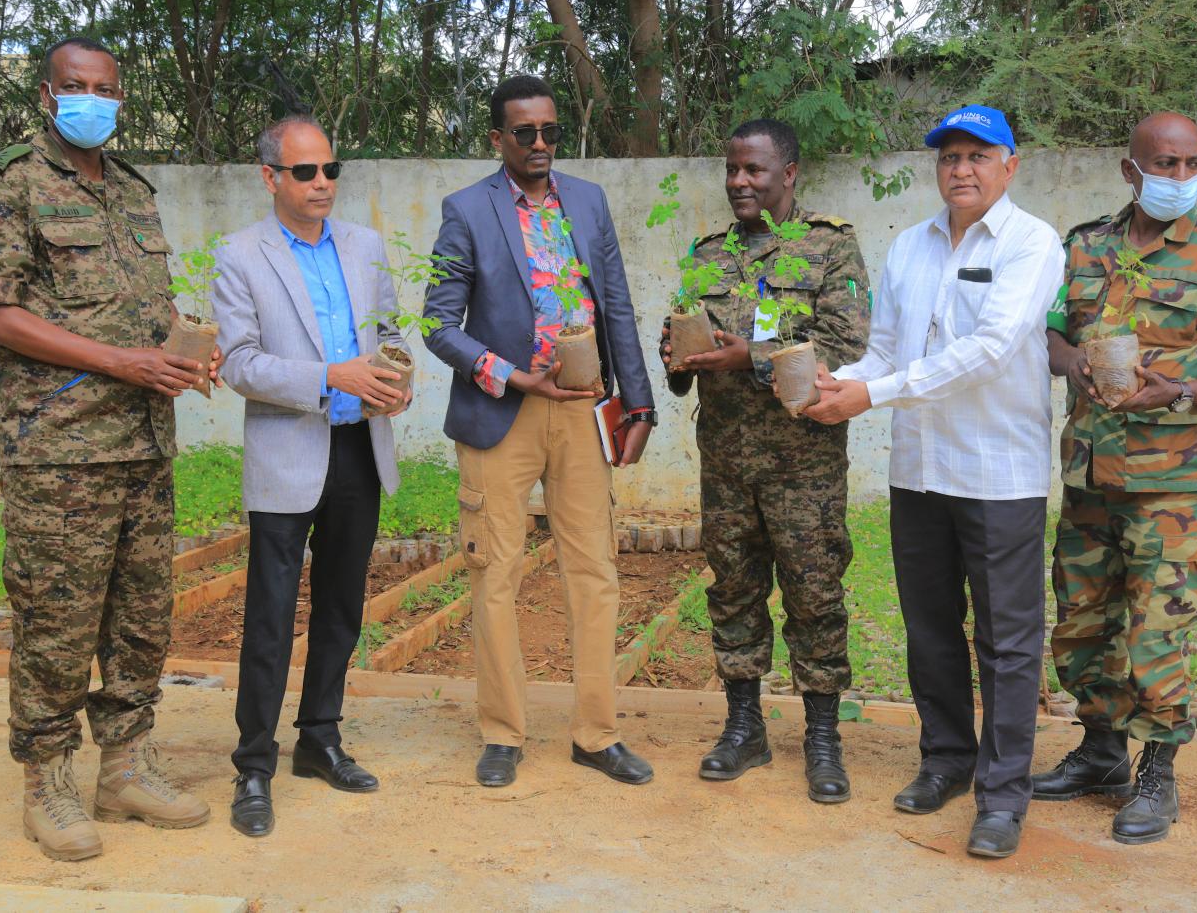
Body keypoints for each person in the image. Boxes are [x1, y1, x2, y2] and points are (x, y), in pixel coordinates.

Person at [0, 36, 212, 862]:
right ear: (47, 94)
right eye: (76, 86)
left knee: (142, 619)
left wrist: (181, 352)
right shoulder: (8, 183)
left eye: (105, 88)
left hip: (143, 442)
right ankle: (47, 783)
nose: (92, 100)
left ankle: (126, 768)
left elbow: (147, 306)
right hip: (60, 450)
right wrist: (122, 362)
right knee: (56, 623)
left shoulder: (134, 190)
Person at [803, 105, 1063, 858]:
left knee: (1008, 641)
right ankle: (946, 759)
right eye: (949, 156)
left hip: (999, 473)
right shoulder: (909, 246)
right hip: (919, 471)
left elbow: (991, 348)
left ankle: (1003, 796)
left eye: (979, 155)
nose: (962, 169)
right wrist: (839, 381)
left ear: (1010, 165)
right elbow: (885, 351)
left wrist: (873, 395)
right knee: (931, 628)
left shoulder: (1031, 242)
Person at [1035, 112, 1197, 845]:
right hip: (1090, 475)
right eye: (1164, 164)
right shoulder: (1085, 246)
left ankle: (1158, 774)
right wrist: (1072, 362)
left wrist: (1179, 391)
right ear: (1130, 170)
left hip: (1171, 483)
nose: (1179, 176)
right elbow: (1053, 332)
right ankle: (1101, 752)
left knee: (1156, 630)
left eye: (1191, 163)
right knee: (1082, 623)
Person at [424, 75, 656, 788]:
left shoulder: (587, 200)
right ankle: (502, 733)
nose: (540, 144)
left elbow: (615, 303)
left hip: (583, 407)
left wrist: (639, 404)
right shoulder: (467, 210)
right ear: (498, 138)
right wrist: (509, 375)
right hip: (503, 414)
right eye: (524, 132)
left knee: (595, 571)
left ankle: (597, 734)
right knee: (495, 571)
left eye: (550, 131)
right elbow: (438, 321)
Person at [657, 119, 870, 802]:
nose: (739, 181)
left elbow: (846, 343)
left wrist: (745, 356)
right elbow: (682, 343)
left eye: (753, 169)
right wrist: (678, 355)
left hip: (804, 465)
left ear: (790, 173)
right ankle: (744, 725)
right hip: (726, 462)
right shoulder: (707, 254)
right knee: (733, 590)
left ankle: (822, 738)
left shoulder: (829, 245)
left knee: (815, 593)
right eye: (732, 169)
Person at [212, 116, 408, 837]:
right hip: (288, 453)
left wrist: (398, 382)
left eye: (330, 168)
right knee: (270, 616)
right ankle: (253, 765)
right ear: (270, 177)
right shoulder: (240, 254)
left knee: (341, 607)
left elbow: (391, 337)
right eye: (305, 172)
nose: (322, 182)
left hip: (359, 447)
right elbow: (239, 363)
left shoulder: (365, 246)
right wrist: (330, 375)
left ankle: (319, 737)